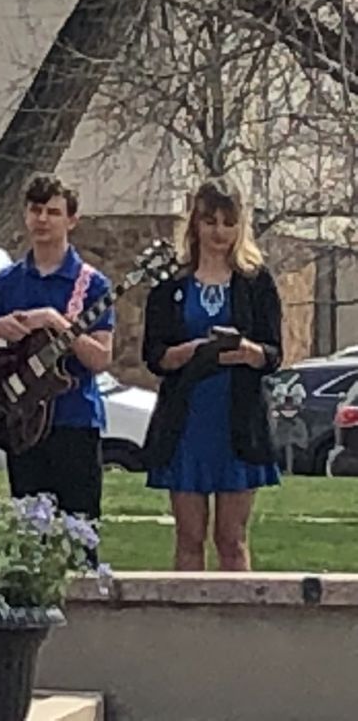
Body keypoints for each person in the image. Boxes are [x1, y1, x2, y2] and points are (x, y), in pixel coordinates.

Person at [143, 179, 282, 571]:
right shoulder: (171, 283)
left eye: (228, 222)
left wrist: (248, 351)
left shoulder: (256, 282)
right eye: (210, 221)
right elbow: (154, 355)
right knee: (189, 538)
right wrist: (189, 352)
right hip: (186, 422)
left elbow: (273, 353)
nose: (219, 231)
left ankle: (236, 609)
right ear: (195, 224)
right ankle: (187, 608)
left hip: (237, 422)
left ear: (240, 226)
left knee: (231, 539)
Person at [0, 175, 113, 520]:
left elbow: (101, 359)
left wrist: (57, 322)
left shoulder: (92, 284)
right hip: (23, 422)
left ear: (71, 220)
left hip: (75, 420)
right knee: (29, 531)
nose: (43, 219)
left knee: (79, 530)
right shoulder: (7, 281)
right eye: (36, 210)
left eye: (53, 212)